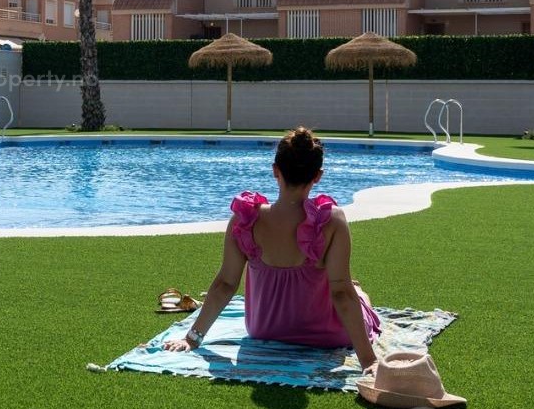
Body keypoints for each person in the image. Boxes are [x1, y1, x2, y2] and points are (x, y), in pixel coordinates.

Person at [162, 126, 381, 367]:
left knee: (348, 288)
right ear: (318, 175)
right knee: (354, 293)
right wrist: (368, 361)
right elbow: (341, 294)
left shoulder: (245, 220)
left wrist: (192, 338)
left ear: (275, 170)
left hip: (264, 330)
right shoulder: (331, 221)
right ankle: (361, 292)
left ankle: (357, 290)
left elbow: (225, 284)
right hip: (326, 335)